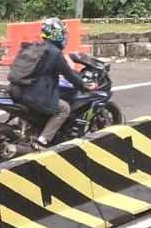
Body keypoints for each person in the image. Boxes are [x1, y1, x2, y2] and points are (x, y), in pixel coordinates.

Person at [19, 17, 96, 147]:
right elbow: (69, 74)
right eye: (63, 33)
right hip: (35, 95)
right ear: (56, 34)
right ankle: (42, 141)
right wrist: (84, 85)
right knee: (64, 108)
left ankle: (30, 129)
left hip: (21, 89)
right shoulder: (54, 53)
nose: (65, 36)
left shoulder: (34, 47)